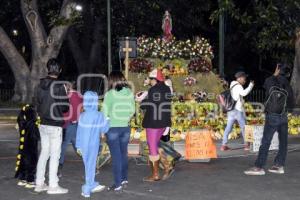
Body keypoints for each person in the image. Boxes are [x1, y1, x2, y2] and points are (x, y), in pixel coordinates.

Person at [244, 64, 294, 176]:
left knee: (266, 141)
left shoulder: (271, 81)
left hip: (272, 116)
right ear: (288, 74)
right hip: (283, 117)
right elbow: (291, 104)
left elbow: (266, 84)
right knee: (283, 142)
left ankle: (259, 167)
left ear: (277, 70)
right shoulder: (288, 86)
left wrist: (274, 75)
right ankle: (279, 166)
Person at [34, 58, 69, 194]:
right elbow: (65, 107)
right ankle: (53, 185)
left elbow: (36, 103)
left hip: (43, 123)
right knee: (55, 155)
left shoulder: (39, 85)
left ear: (48, 69)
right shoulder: (60, 86)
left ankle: (39, 183)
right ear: (59, 70)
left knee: (44, 153)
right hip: (55, 124)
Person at [102, 71, 135, 192]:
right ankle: (124, 178)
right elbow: (132, 111)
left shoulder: (110, 94)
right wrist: (125, 118)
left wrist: (105, 124)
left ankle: (117, 183)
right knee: (123, 154)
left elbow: (104, 113)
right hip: (125, 128)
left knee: (116, 157)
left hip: (113, 128)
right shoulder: (129, 93)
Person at [140, 68, 172, 182]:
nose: (148, 80)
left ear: (154, 79)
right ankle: (167, 166)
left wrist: (141, 100)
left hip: (153, 122)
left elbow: (146, 105)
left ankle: (155, 175)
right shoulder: (167, 88)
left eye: (150, 78)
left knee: (152, 147)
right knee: (156, 144)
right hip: (163, 122)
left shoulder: (153, 90)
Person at [76, 91, 110, 198]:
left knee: (88, 165)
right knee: (90, 166)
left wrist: (78, 145)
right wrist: (108, 120)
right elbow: (104, 129)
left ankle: (92, 184)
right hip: (92, 144)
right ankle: (87, 188)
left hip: (82, 144)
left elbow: (79, 131)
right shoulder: (99, 115)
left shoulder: (82, 115)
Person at [220, 71, 254, 151]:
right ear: (240, 78)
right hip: (238, 110)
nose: (245, 81)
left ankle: (223, 145)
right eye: (244, 79)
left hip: (231, 110)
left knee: (228, 127)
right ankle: (247, 145)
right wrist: (251, 85)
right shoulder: (238, 86)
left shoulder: (232, 84)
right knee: (244, 127)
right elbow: (244, 93)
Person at [58, 81, 83, 177]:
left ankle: (59, 166)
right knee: (76, 144)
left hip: (69, 124)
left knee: (63, 146)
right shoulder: (77, 95)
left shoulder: (69, 96)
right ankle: (91, 161)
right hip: (72, 123)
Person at [15, 104, 40, 189]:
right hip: (31, 148)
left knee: (23, 162)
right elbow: (37, 136)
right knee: (32, 162)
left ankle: (22, 179)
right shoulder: (32, 125)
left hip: (23, 148)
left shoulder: (22, 123)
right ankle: (30, 180)